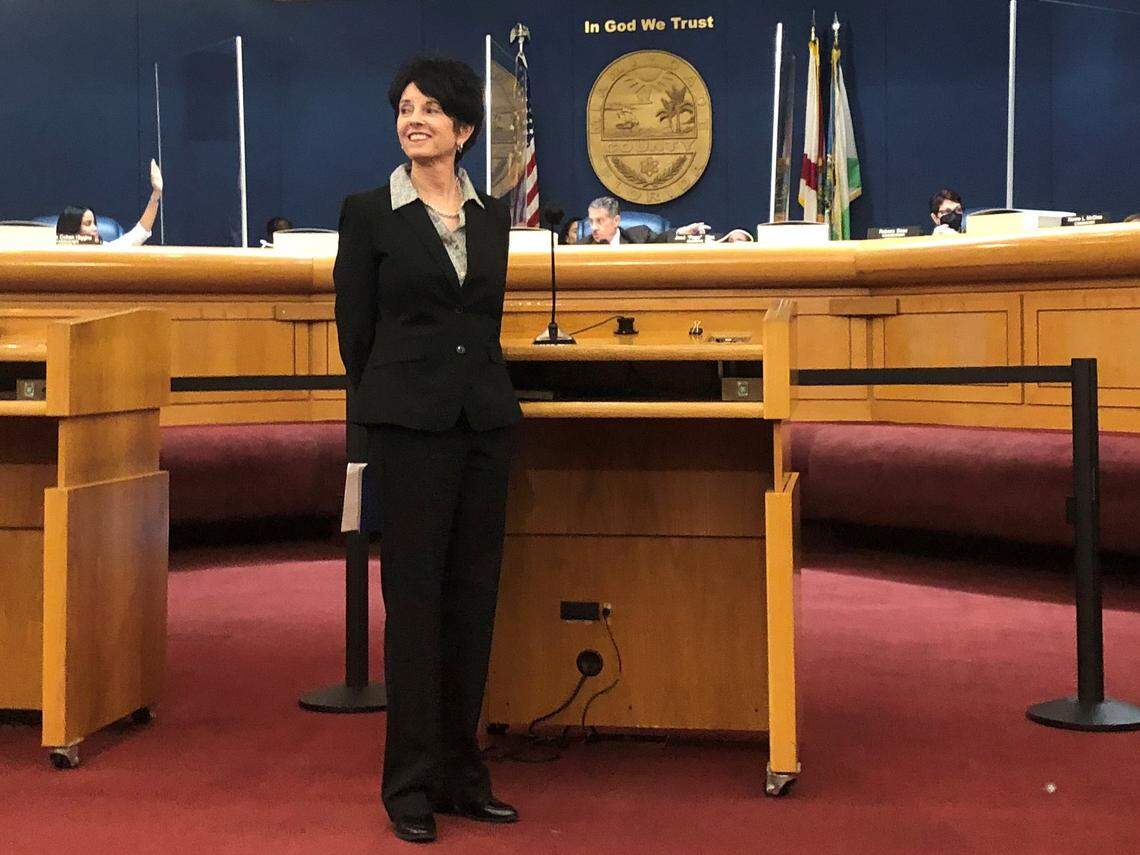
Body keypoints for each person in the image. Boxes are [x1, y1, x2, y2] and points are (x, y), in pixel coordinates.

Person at [333, 55, 521, 845]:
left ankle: (460, 771)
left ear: (463, 129)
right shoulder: (369, 212)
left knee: (471, 603)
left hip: (483, 426)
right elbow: (357, 334)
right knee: (413, 610)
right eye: (404, 108)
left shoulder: (491, 218)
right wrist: (401, 395)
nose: (414, 118)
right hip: (410, 431)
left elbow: (482, 323)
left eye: (430, 109)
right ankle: (408, 783)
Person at [55, 159, 163, 246]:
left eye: (94, 223)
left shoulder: (106, 252)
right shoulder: (51, 255)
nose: (95, 228)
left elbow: (140, 232)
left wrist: (156, 193)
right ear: (72, 229)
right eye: (88, 224)